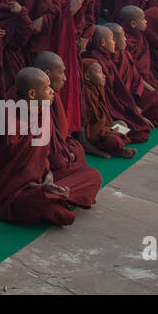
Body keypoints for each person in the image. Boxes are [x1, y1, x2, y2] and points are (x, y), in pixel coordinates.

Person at [0, 67, 78, 226]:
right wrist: (38, 187)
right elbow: (1, 171)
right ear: (32, 94)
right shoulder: (7, 121)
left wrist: (47, 177)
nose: (52, 92)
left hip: (38, 182)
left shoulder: (40, 110)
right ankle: (53, 199)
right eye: (47, 88)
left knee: (93, 176)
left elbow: (42, 155)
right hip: (8, 193)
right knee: (61, 213)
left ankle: (54, 196)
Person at [36, 51, 102, 209]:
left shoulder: (51, 97)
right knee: (90, 175)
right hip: (35, 176)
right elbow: (31, 152)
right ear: (47, 74)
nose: (65, 77)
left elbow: (61, 134)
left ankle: (60, 194)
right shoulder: (24, 107)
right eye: (62, 72)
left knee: (80, 157)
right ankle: (60, 195)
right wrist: (46, 170)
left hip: (52, 169)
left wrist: (65, 150)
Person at [112, 12, 158, 127]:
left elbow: (136, 75)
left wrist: (149, 86)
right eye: (143, 19)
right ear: (133, 23)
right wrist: (132, 106)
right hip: (122, 101)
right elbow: (117, 89)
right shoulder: (110, 59)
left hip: (137, 89)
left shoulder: (138, 41)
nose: (146, 21)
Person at [79, 44, 137, 159]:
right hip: (95, 134)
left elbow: (105, 117)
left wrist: (109, 128)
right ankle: (117, 149)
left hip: (104, 129)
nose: (104, 76)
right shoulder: (84, 94)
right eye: (100, 72)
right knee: (114, 141)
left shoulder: (97, 88)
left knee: (123, 125)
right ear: (87, 77)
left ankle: (114, 145)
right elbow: (87, 125)